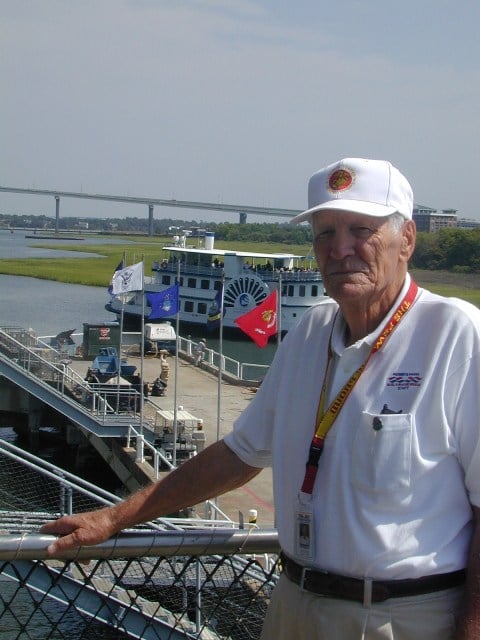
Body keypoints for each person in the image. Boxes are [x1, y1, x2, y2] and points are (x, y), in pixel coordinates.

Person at [41, 157, 480, 639]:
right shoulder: (309, 331)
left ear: (407, 240)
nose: (340, 249)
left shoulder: (456, 336)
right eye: (324, 233)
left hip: (401, 616)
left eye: (362, 229)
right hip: (294, 603)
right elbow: (238, 455)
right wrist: (115, 517)